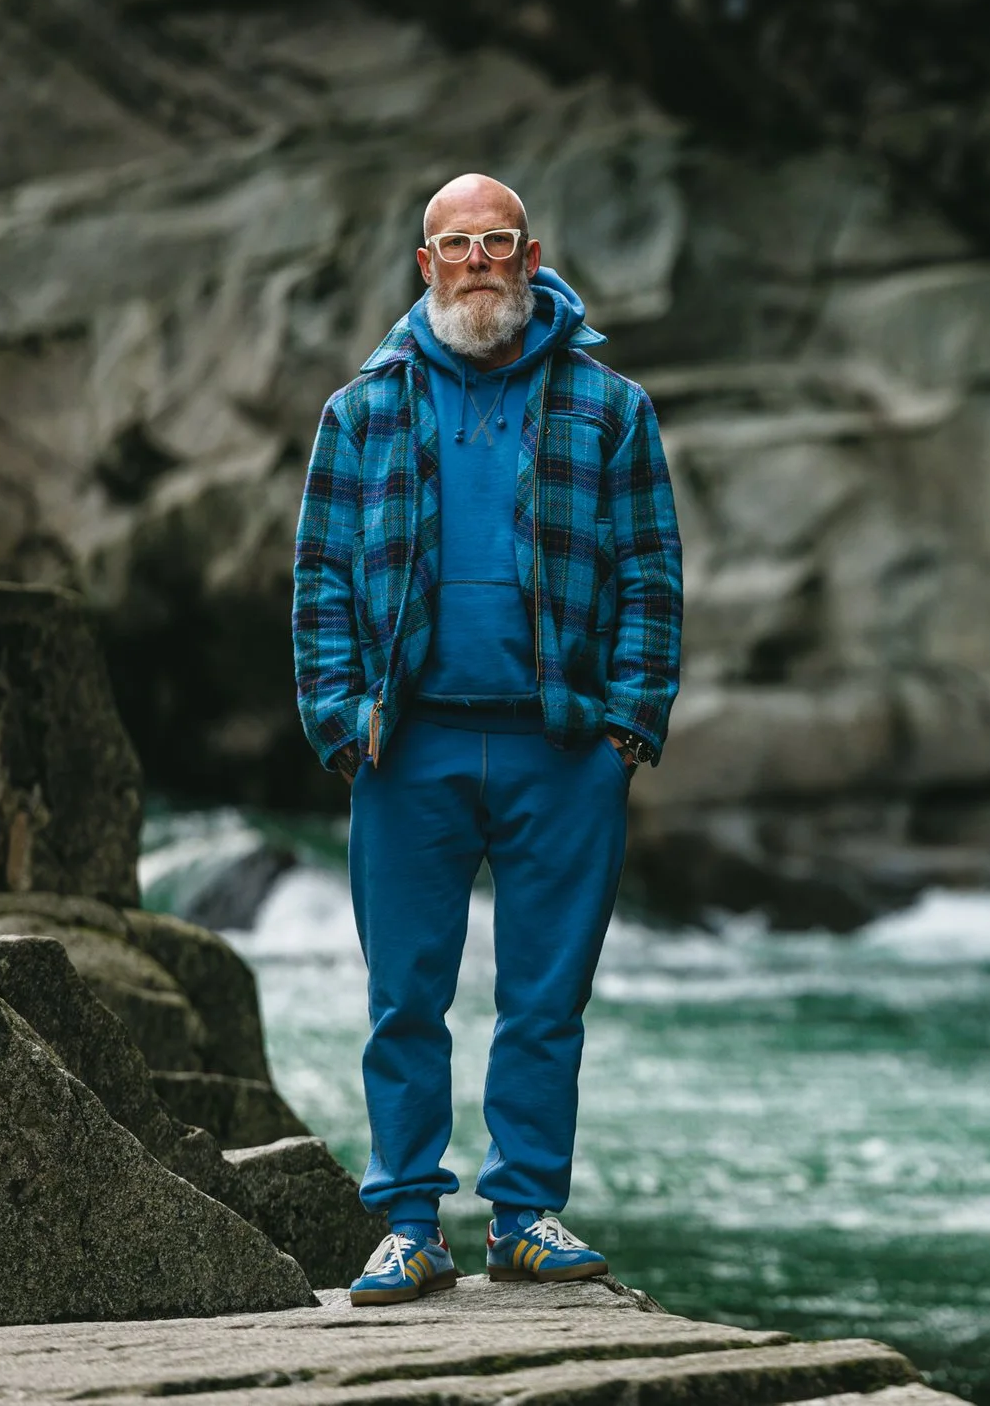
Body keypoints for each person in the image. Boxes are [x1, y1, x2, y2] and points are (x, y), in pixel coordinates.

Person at [291, 172, 683, 1306]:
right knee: (403, 999)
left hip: (561, 753)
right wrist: (338, 722)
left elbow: (653, 576)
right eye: (453, 244)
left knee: (545, 999)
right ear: (423, 266)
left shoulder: (611, 407)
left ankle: (525, 1215)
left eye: (495, 241)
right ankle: (409, 1224)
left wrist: (627, 730)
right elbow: (318, 579)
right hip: (404, 750)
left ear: (529, 254)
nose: (476, 261)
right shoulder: (360, 411)